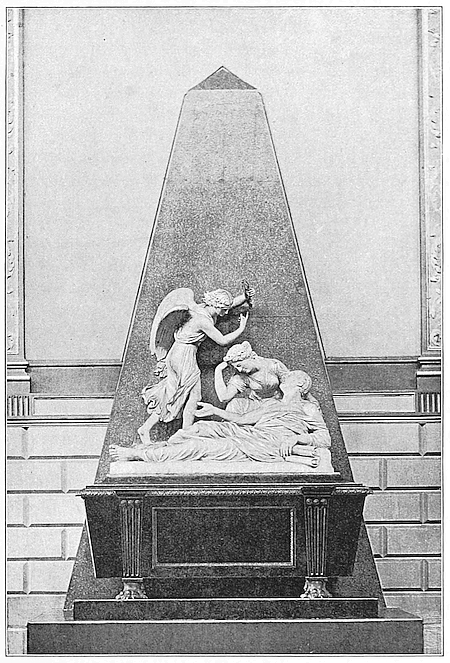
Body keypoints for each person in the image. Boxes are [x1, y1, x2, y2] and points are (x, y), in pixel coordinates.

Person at [111, 370, 332, 469]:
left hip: (266, 445)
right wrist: (214, 411)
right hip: (251, 433)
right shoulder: (272, 403)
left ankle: (139, 455)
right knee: (199, 428)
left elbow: (324, 438)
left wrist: (298, 439)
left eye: (291, 376)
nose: (285, 377)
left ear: (301, 384)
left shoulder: (307, 408)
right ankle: (162, 448)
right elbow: (242, 419)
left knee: (200, 447)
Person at [138, 287, 253, 444]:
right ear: (216, 305)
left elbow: (229, 304)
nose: (226, 313)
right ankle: (185, 434)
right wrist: (241, 328)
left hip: (176, 354)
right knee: (191, 396)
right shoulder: (202, 321)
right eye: (224, 309)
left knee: (174, 394)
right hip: (184, 357)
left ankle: (150, 429)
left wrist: (244, 297)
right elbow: (222, 340)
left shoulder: (199, 308)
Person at [214, 341, 290, 415]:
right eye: (236, 368)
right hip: (258, 405)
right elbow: (224, 397)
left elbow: (291, 386)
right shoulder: (242, 376)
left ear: (249, 358)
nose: (239, 370)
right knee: (234, 404)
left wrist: (285, 404)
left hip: (278, 403)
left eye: (239, 365)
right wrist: (218, 370)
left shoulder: (273, 365)